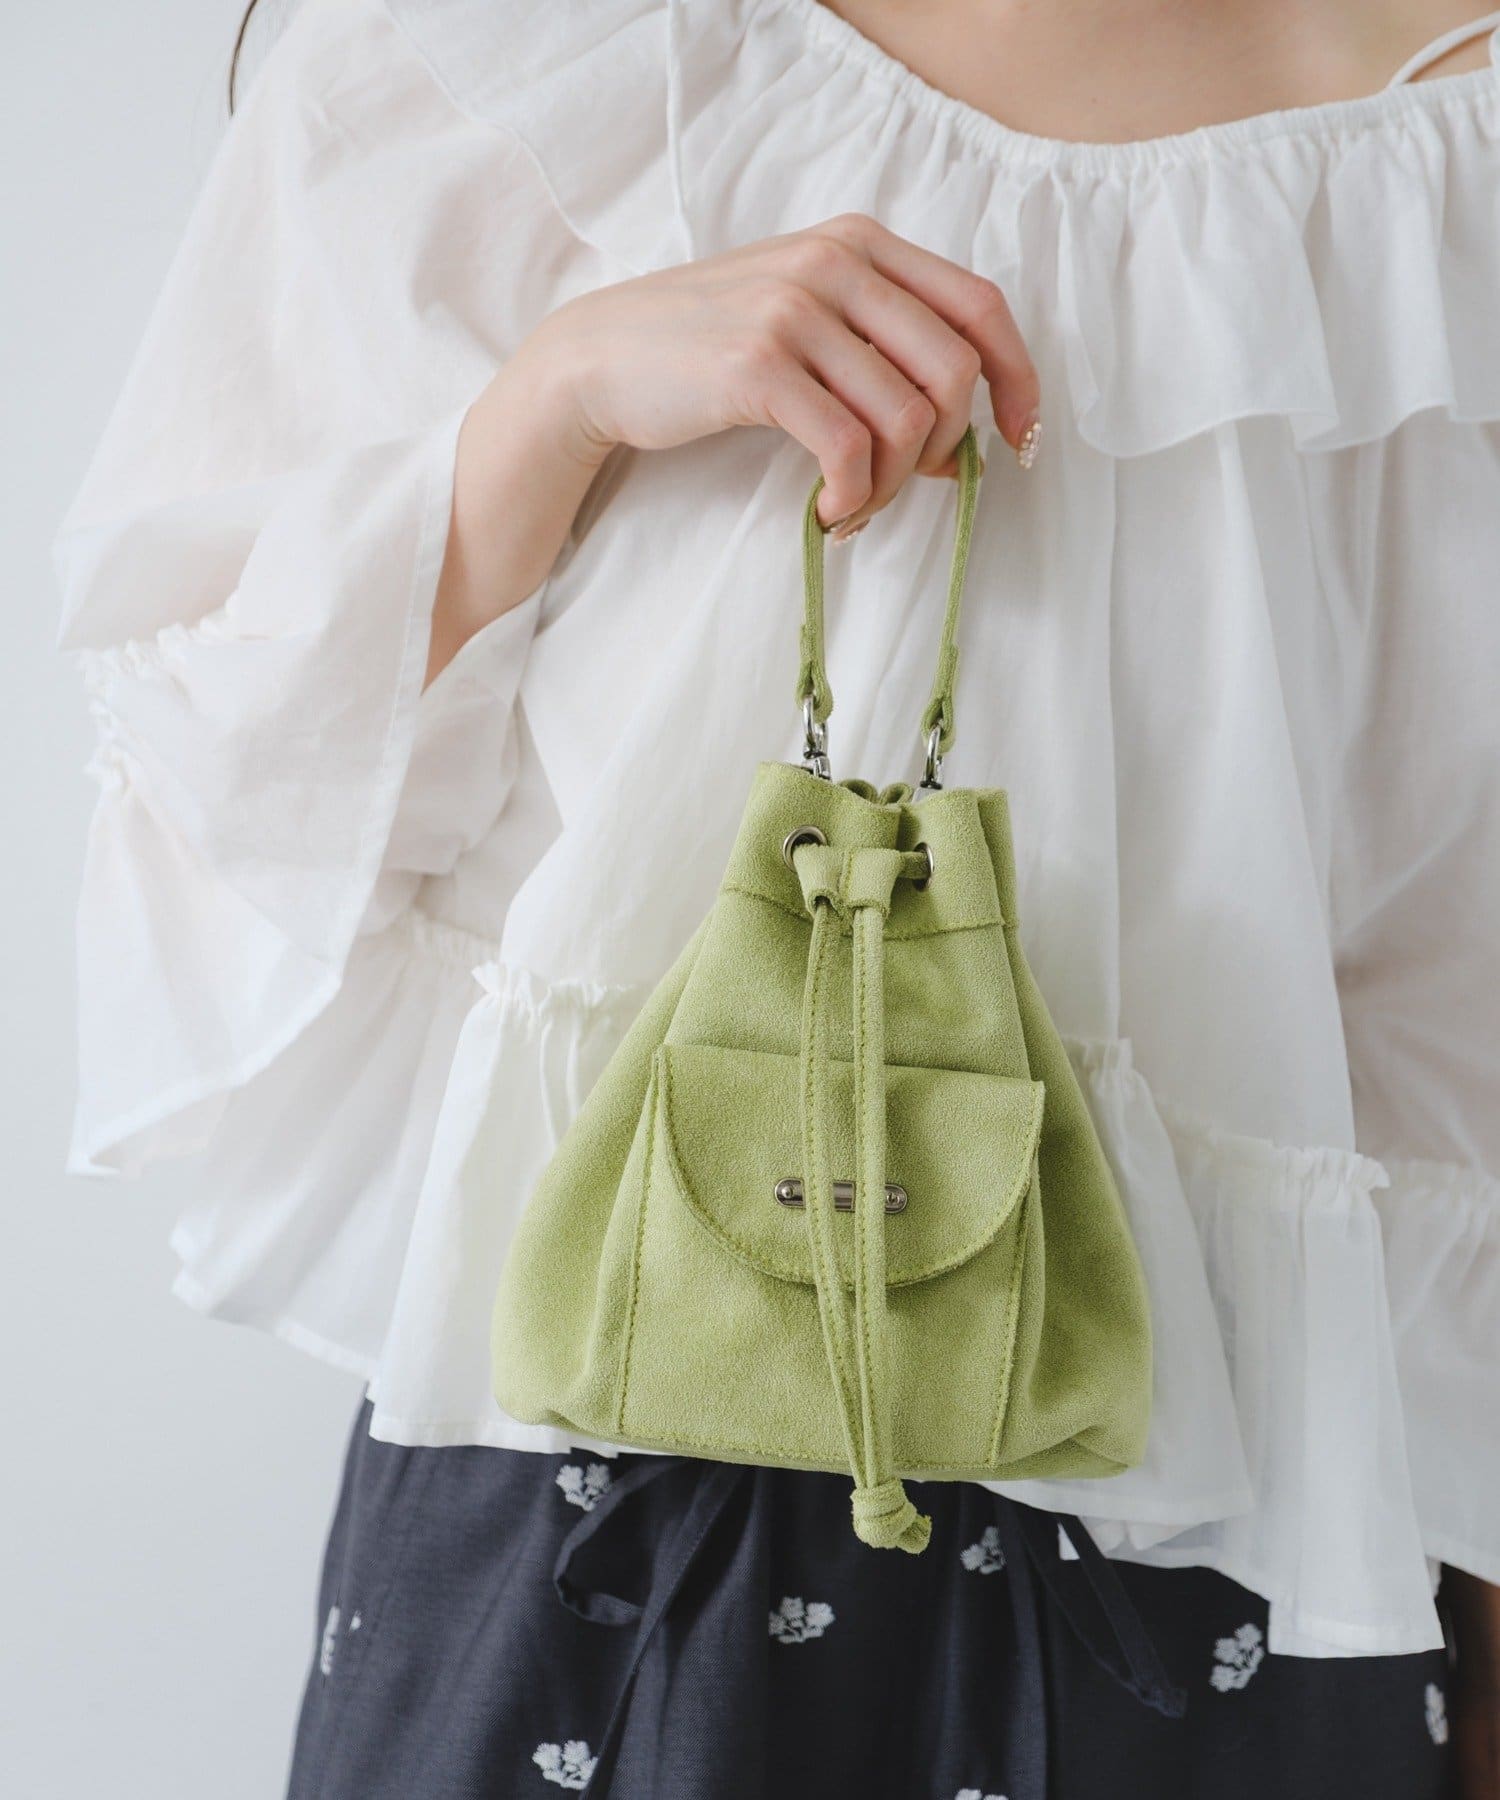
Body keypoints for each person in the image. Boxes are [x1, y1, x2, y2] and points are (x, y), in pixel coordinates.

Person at [55, 1, 1500, 1794]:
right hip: (597, 1490)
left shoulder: (1453, 164)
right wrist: (558, 402)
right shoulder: (557, 52)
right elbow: (228, 792)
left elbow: (1453, 1029)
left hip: (1261, 1545)